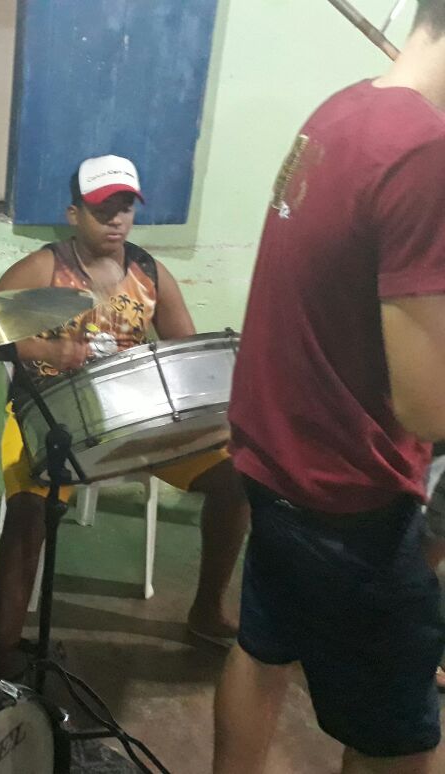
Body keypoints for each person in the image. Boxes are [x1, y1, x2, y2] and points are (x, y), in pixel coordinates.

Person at [216, 3, 445, 770]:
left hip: (278, 464)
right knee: (398, 741)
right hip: (352, 502)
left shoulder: (342, 109)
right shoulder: (425, 150)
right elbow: (428, 406)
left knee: (262, 651)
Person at [0, 155, 251, 679]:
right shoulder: (43, 268)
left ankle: (206, 610)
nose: (116, 220)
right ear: (74, 213)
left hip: (138, 418)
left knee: (237, 479)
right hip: (52, 418)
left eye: (125, 208)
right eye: (102, 209)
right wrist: (48, 351)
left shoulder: (150, 273)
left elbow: (185, 349)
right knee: (29, 514)